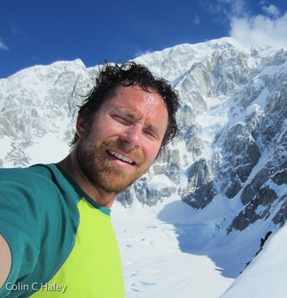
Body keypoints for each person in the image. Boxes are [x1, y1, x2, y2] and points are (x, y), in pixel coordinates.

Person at [0, 61, 180, 297]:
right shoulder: (31, 198)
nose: (133, 139)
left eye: (150, 133)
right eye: (122, 118)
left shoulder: (98, 218)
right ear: (83, 122)